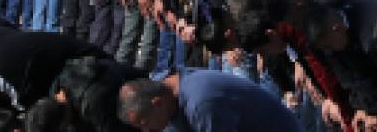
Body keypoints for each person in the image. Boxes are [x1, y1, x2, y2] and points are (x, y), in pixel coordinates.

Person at [116, 69, 301, 132]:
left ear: (157, 103)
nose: (146, 131)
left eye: (145, 124)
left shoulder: (202, 104)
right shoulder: (166, 87)